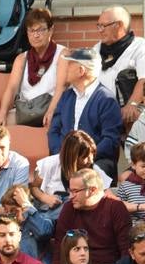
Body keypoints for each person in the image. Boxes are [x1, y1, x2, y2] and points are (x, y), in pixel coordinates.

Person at [46, 48, 124, 180]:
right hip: (64, 160)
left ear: (81, 71)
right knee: (42, 172)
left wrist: (84, 158)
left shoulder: (107, 100)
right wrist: (62, 155)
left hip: (94, 162)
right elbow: (53, 131)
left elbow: (110, 140)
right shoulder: (65, 97)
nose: (65, 69)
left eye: (70, 65)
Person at [0, 7, 67, 128]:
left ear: (51, 30)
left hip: (51, 108)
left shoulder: (63, 54)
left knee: (54, 121)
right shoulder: (21, 59)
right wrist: (1, 113)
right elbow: (11, 89)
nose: (36, 35)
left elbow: (61, 88)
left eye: (40, 30)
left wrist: (51, 112)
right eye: (31, 30)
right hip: (26, 110)